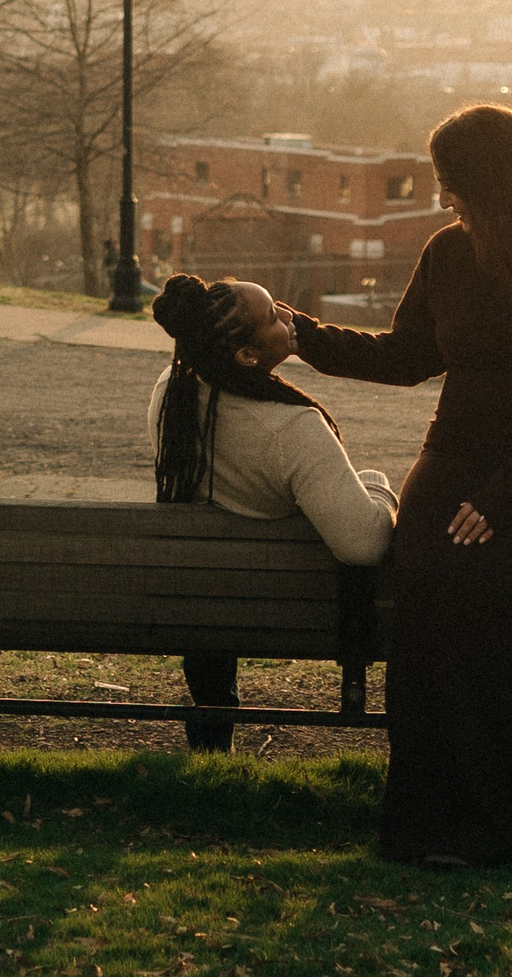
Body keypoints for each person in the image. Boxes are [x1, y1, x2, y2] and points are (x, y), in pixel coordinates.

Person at [287, 103, 512, 868]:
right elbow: (408, 354)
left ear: (496, 181)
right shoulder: (451, 252)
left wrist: (505, 496)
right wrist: (302, 336)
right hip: (461, 452)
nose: (445, 198)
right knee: (421, 603)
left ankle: (500, 831)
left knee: (498, 601)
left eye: (454, 184)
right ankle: (420, 826)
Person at [148, 273, 398, 752]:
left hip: (205, 600)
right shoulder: (292, 429)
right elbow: (363, 544)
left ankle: (210, 745)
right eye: (272, 316)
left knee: (214, 585)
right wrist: (378, 487)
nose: (287, 315)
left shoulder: (173, 390)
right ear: (246, 357)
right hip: (289, 602)